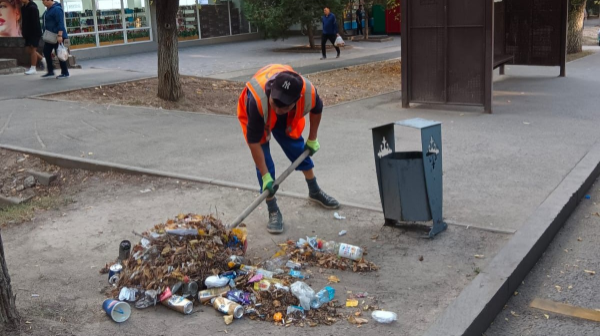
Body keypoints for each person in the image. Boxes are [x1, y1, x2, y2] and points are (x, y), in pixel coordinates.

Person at [237, 64, 340, 234]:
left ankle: (314, 190)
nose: (278, 110)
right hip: (259, 115)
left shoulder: (309, 93)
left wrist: (312, 138)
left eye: (283, 106)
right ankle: (273, 209)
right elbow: (254, 142)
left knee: (297, 148)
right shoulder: (257, 101)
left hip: (285, 113)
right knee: (265, 164)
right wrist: (265, 176)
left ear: (296, 100)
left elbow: (317, 109)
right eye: (275, 104)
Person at [41, 0, 68, 79]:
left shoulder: (57, 9)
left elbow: (60, 23)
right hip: (49, 36)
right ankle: (50, 71)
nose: (43, 2)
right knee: (46, 52)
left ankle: (65, 72)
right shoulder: (47, 10)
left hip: (57, 35)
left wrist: (60, 35)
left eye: (44, 0)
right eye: (42, 1)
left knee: (59, 53)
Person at [21, 0, 45, 75]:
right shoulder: (23, 8)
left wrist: (34, 35)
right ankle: (43, 59)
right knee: (28, 50)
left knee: (33, 49)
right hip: (27, 33)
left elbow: (36, 22)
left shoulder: (33, 7)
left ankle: (33, 68)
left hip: (34, 33)